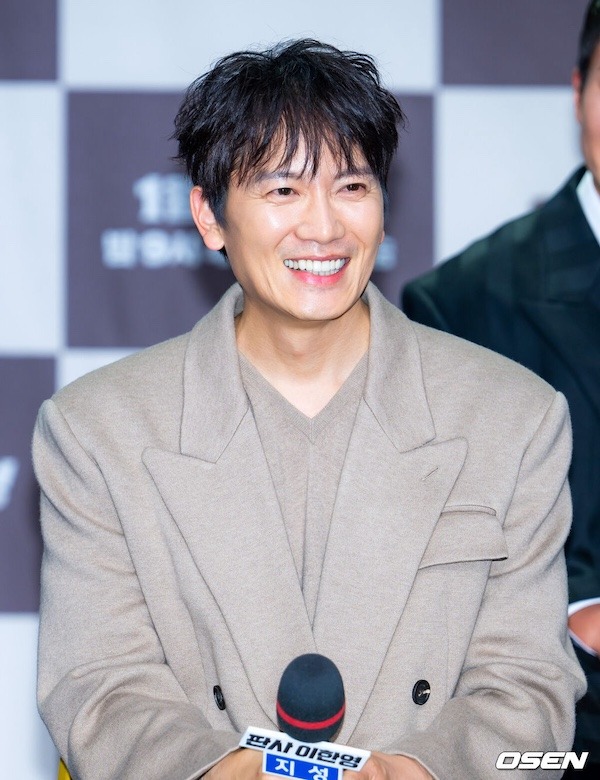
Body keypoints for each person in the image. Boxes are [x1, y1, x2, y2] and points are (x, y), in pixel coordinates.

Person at [34, 39, 585, 780]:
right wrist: (229, 772)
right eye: (283, 190)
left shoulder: (512, 419)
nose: (323, 228)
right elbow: (100, 686)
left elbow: (530, 690)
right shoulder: (99, 431)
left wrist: (407, 773)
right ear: (209, 216)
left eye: (352, 186)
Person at [402, 2, 600, 774]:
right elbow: (448, 539)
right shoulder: (462, 302)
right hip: (570, 723)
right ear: (578, 90)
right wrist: (578, 610)